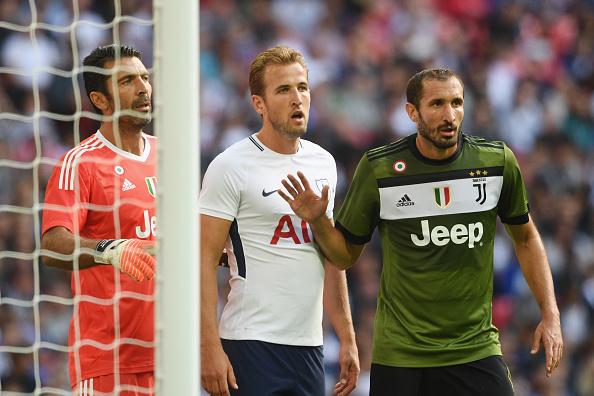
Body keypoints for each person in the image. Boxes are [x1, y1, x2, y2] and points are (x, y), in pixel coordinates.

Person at [279, 68, 563, 395]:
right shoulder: (380, 168)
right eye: (437, 104)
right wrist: (318, 221)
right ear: (412, 112)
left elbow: (526, 238)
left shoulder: (496, 161)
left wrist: (550, 313)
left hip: (474, 347)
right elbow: (344, 255)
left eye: (457, 103)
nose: (449, 115)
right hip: (402, 353)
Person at [200, 45, 360, 396]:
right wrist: (209, 347)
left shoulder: (324, 163)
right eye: (283, 89)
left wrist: (346, 336)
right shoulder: (230, 166)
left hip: (308, 346)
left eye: (302, 88)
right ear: (259, 103)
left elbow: (331, 255)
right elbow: (203, 261)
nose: (297, 98)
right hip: (249, 342)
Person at [41, 44, 157, 395]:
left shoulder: (171, 158)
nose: (142, 88)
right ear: (101, 100)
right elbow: (52, 246)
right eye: (126, 81)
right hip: (109, 362)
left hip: (174, 356)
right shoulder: (80, 163)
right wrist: (112, 249)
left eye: (144, 77)